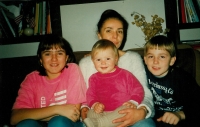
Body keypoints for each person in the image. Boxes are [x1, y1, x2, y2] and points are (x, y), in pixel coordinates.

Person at [79, 9, 155, 127]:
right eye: (109, 30)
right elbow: (85, 96)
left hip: (128, 114)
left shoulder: (133, 58)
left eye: (120, 31)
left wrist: (142, 111)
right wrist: (84, 109)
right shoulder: (85, 63)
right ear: (99, 35)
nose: (115, 36)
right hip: (98, 115)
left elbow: (144, 92)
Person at [10, 35, 87, 127]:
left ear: (66, 58)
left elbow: (73, 114)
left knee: (57, 122)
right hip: (40, 124)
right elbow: (15, 118)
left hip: (67, 124)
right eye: (47, 54)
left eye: (59, 53)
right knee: (26, 125)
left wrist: (34, 114)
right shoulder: (32, 79)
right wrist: (56, 109)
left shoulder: (72, 70)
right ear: (40, 59)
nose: (54, 59)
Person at [83, 39, 144, 127]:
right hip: (102, 113)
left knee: (127, 109)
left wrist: (133, 101)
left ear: (116, 59)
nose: (103, 62)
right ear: (93, 61)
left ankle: (99, 123)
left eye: (108, 58)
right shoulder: (93, 78)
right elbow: (90, 94)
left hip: (119, 111)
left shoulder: (125, 74)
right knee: (91, 113)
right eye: (98, 59)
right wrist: (95, 104)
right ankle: (102, 123)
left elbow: (138, 89)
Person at [143, 35, 200, 127]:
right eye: (151, 56)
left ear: (172, 61)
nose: (155, 61)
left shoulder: (183, 78)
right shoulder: (142, 74)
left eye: (162, 57)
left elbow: (197, 104)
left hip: (180, 118)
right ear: (145, 59)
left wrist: (180, 114)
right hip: (154, 119)